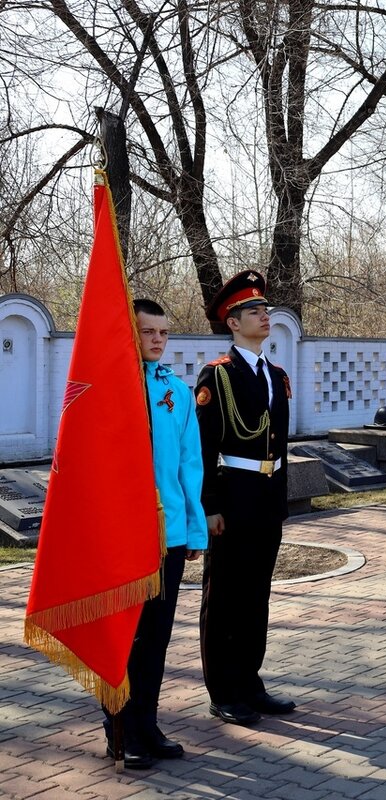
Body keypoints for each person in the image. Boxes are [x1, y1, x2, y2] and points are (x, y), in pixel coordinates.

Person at [102, 299, 207, 769]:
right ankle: (119, 728)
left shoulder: (176, 392)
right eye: (149, 332)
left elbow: (189, 464)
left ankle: (147, 722)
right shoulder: (108, 389)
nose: (159, 340)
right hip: (124, 534)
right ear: (131, 333)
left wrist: (195, 529)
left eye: (164, 332)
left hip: (169, 533)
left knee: (157, 637)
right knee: (126, 635)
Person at [195, 270, 295, 726]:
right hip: (233, 497)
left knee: (257, 594)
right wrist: (210, 505)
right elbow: (205, 446)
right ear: (233, 323)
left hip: (266, 495)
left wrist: (281, 497)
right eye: (254, 310)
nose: (264, 315)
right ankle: (224, 689)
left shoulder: (276, 374)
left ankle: (250, 682)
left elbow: (281, 441)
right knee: (225, 597)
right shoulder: (218, 375)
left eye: (265, 309)